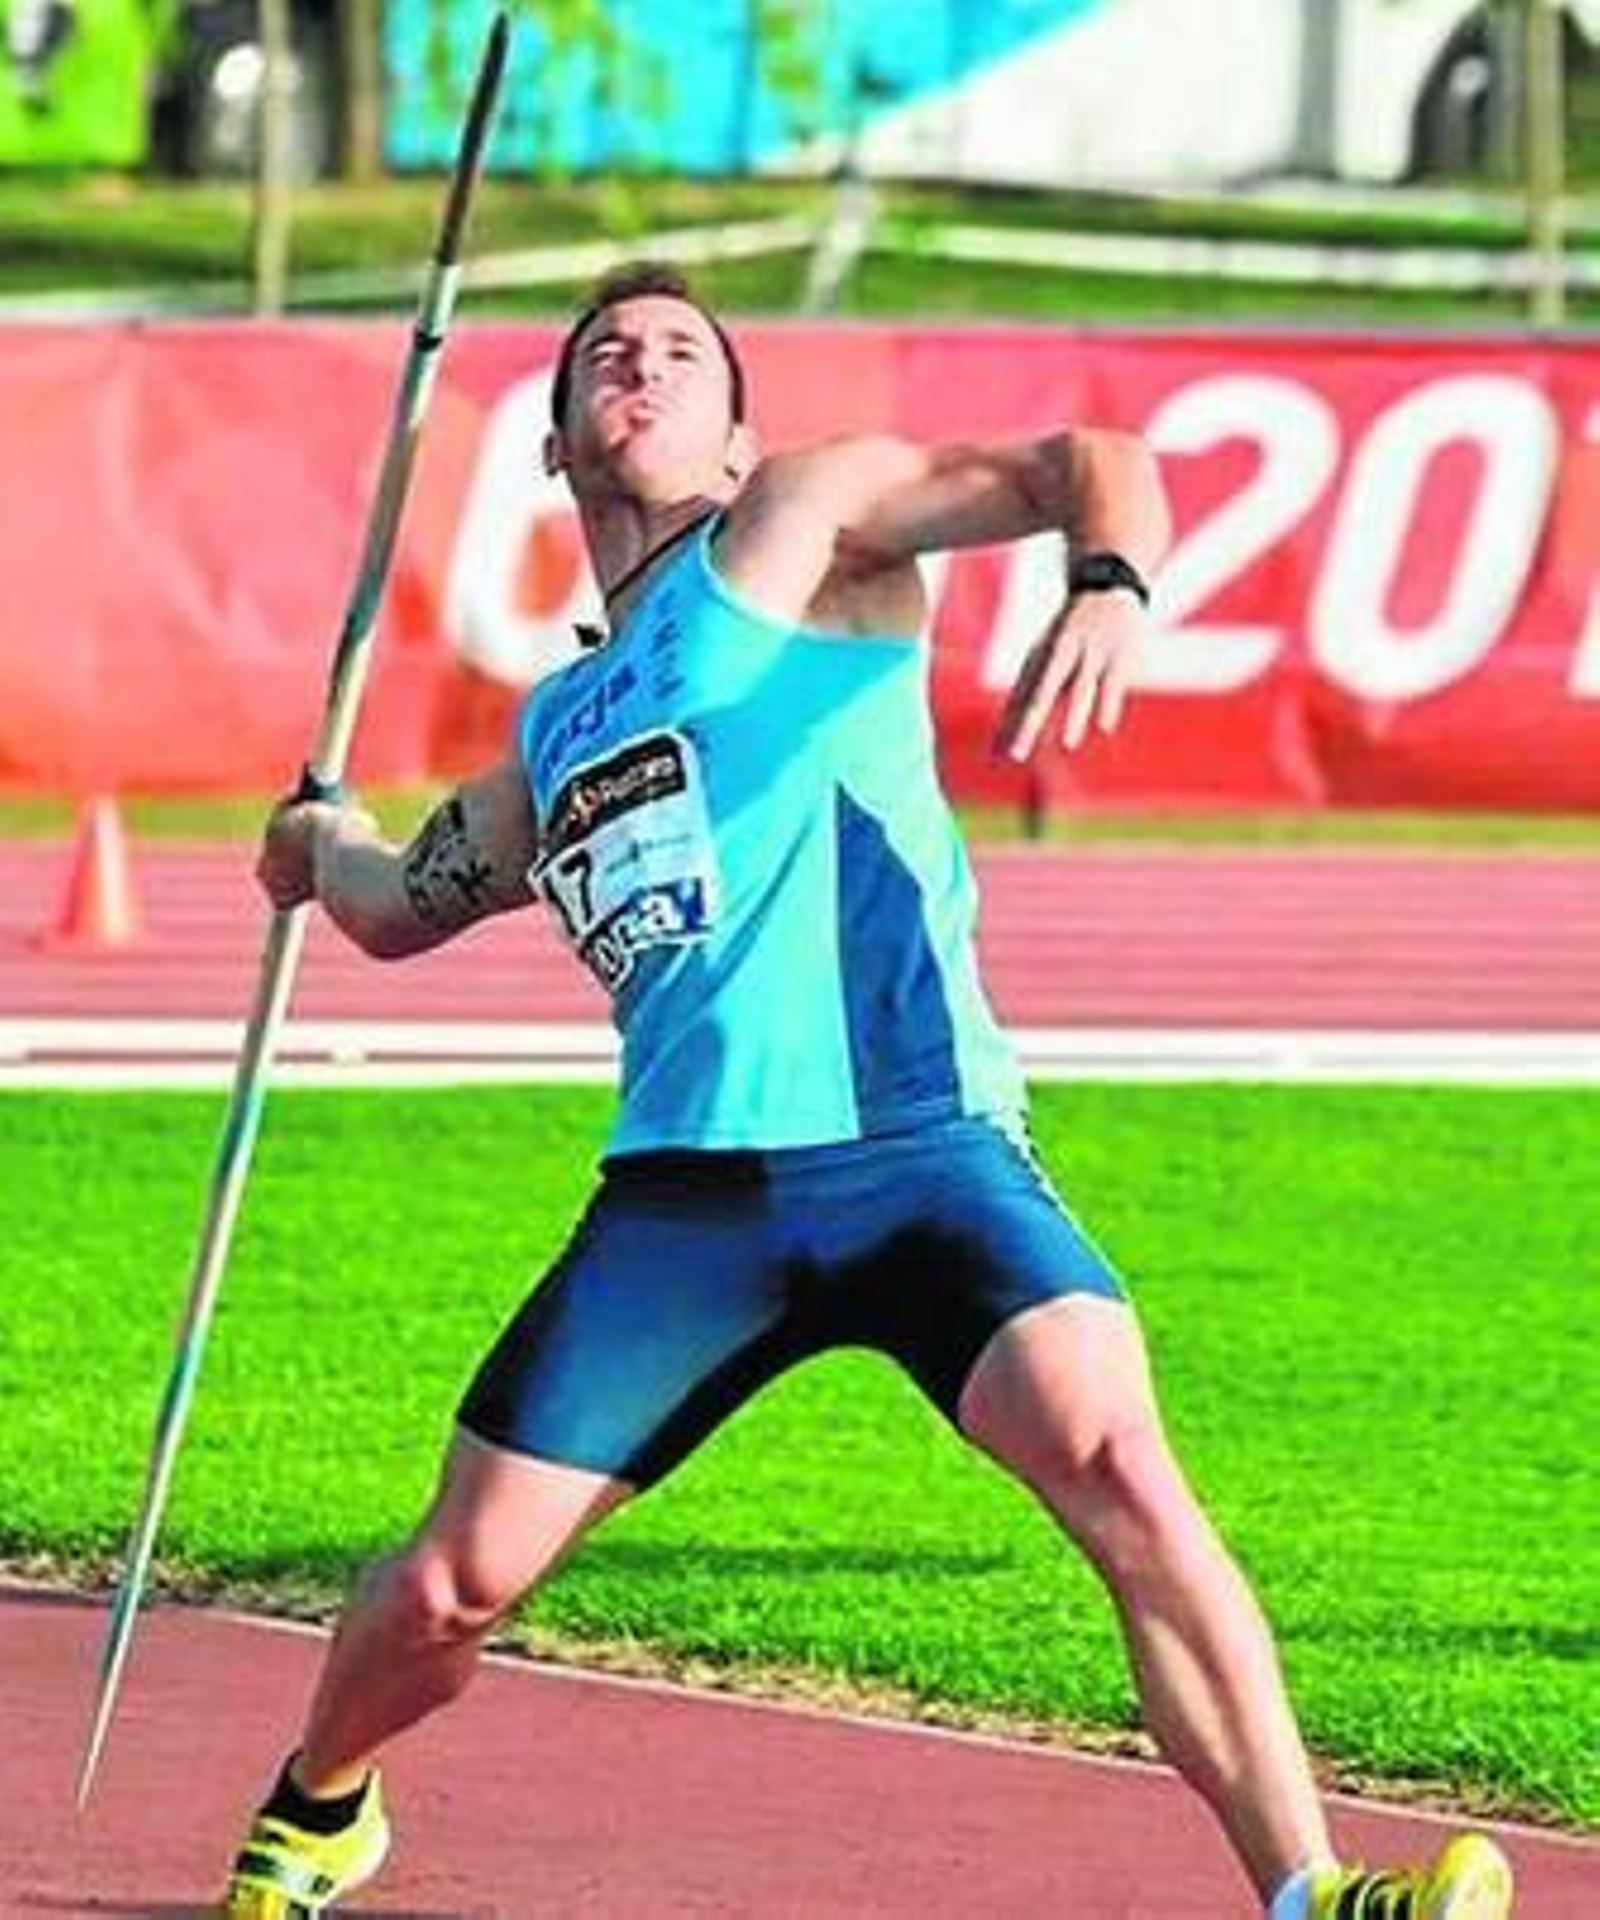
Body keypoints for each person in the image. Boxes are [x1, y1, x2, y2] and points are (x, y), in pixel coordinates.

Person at [221, 263, 1514, 1920]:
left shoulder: (804, 522)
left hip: (924, 1154)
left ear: (733, 431)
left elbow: (1087, 457)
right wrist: (318, 841)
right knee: (446, 1589)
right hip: (690, 1203)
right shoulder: (558, 731)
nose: (640, 365)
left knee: (1120, 1464)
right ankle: (324, 1801)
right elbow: (404, 902)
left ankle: (1313, 1891)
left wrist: (1109, 582)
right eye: (605, 353)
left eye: (681, 352)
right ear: (554, 443)